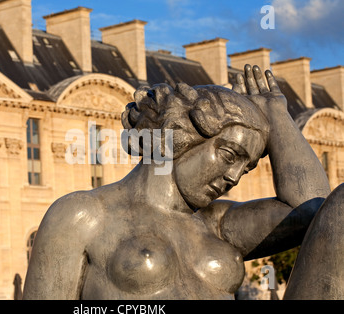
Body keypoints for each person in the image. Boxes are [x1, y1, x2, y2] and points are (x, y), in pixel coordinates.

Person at [23, 65, 341, 300]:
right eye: (230, 155)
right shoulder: (84, 215)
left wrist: (277, 114)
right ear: (182, 136)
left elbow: (316, 210)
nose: (233, 177)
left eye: (245, 169)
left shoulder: (218, 224)